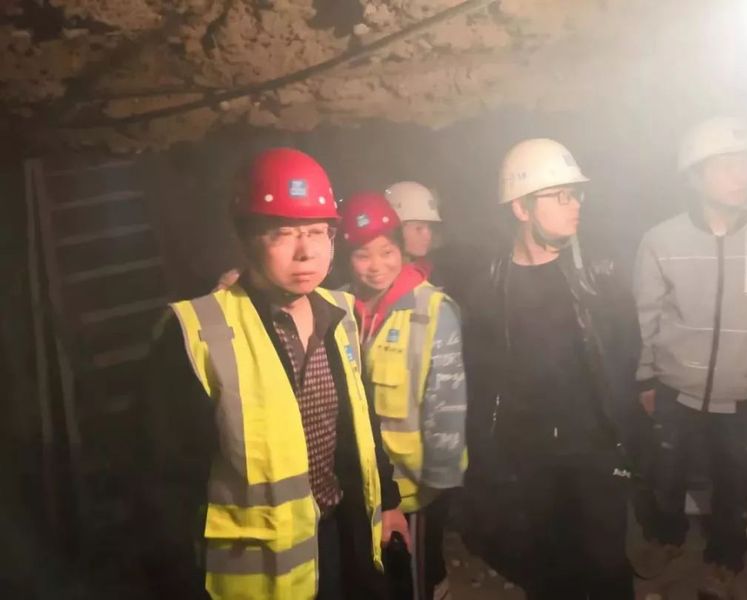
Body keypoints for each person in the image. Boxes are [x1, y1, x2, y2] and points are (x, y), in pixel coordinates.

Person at [143, 148, 409, 600]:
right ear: (246, 238)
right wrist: (176, 582)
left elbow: (361, 423)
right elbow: (163, 480)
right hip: (261, 571)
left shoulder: (340, 313)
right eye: (283, 233)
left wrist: (387, 503)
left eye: (317, 232)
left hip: (342, 539)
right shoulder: (196, 333)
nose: (305, 252)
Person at [462, 138, 640, 599]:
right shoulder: (489, 285)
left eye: (576, 193)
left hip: (595, 449)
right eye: (560, 195)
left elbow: (626, 352)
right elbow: (481, 376)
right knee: (548, 568)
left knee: (606, 566)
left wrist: (623, 437)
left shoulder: (600, 273)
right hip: (528, 456)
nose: (575, 204)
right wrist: (489, 453)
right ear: (521, 207)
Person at [632, 116, 747, 598]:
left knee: (736, 480)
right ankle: (667, 537)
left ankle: (726, 556)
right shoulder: (661, 241)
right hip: (674, 387)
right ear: (694, 175)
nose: (742, 175)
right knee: (666, 472)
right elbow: (646, 316)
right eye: (726, 165)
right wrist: (646, 378)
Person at [339, 191, 467, 600]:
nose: (376, 266)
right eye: (362, 255)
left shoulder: (433, 310)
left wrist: (440, 479)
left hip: (414, 485)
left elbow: (446, 399)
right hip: (362, 479)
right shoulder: (338, 307)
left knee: (416, 578)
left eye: (387, 252)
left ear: (402, 250)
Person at [385, 182, 442, 280]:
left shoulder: (430, 272)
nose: (428, 236)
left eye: (429, 227)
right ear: (395, 229)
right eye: (419, 228)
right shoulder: (379, 278)